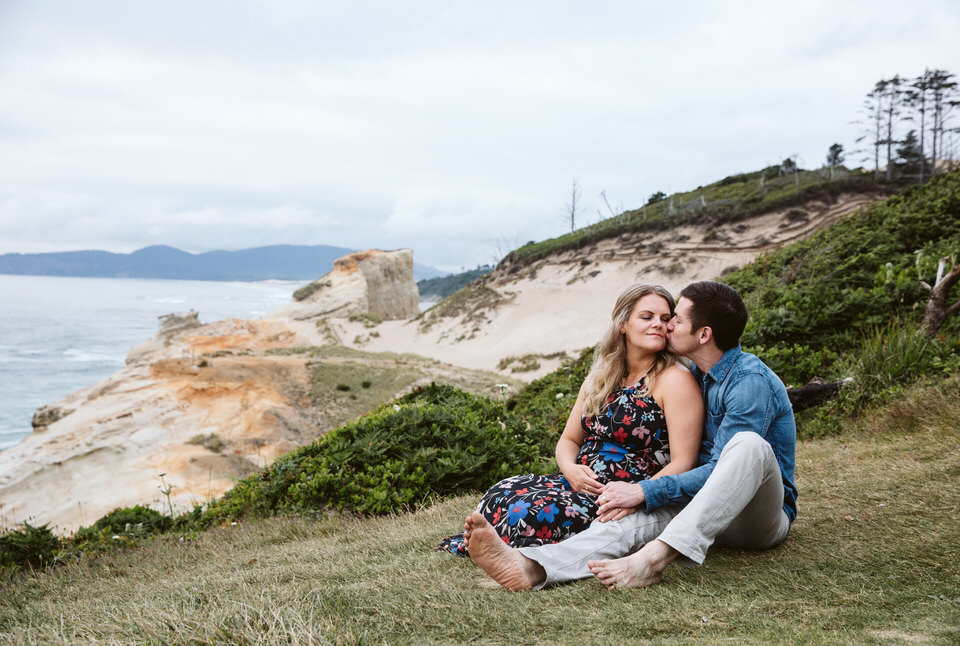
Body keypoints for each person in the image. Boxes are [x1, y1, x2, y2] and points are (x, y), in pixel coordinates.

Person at [461, 280, 797, 591]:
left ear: (704, 334)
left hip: (755, 517)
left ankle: (653, 559)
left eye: (675, 319)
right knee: (621, 523)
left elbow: (719, 469)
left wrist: (643, 488)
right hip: (701, 506)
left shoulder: (748, 382)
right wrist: (638, 496)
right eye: (657, 317)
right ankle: (532, 568)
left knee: (748, 445)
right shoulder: (698, 372)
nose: (667, 326)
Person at [437, 284, 703, 555]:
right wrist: (570, 470)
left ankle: (498, 547)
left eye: (665, 319)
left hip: (621, 496)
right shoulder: (601, 376)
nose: (658, 324)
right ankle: (494, 541)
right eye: (647, 317)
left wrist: (639, 494)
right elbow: (569, 439)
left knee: (533, 513)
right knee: (501, 491)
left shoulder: (674, 379)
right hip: (579, 483)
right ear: (623, 324)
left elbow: (684, 461)